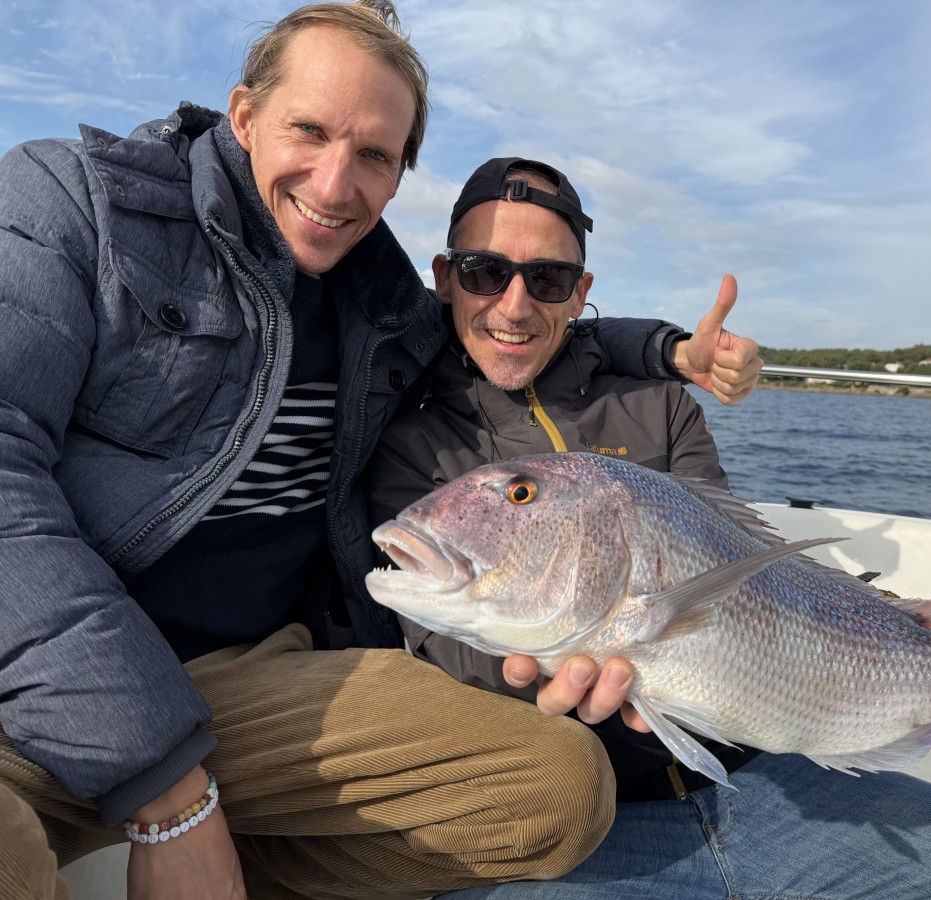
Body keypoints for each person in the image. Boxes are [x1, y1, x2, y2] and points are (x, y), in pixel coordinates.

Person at [0, 3, 764, 899]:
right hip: (34, 668)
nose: (334, 185)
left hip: (249, 678)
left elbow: (515, 324)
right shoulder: (74, 200)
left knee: (556, 789)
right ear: (244, 115)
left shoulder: (384, 303)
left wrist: (668, 351)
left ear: (401, 171)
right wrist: (171, 797)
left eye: (373, 156)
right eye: (310, 131)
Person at [366, 157, 931, 900]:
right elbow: (445, 644)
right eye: (484, 272)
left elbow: (757, 573)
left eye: (549, 279)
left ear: (579, 294)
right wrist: (545, 676)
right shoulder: (411, 440)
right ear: (445, 278)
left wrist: (907, 628)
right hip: (583, 822)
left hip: (774, 777)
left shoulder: (662, 403)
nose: (513, 303)